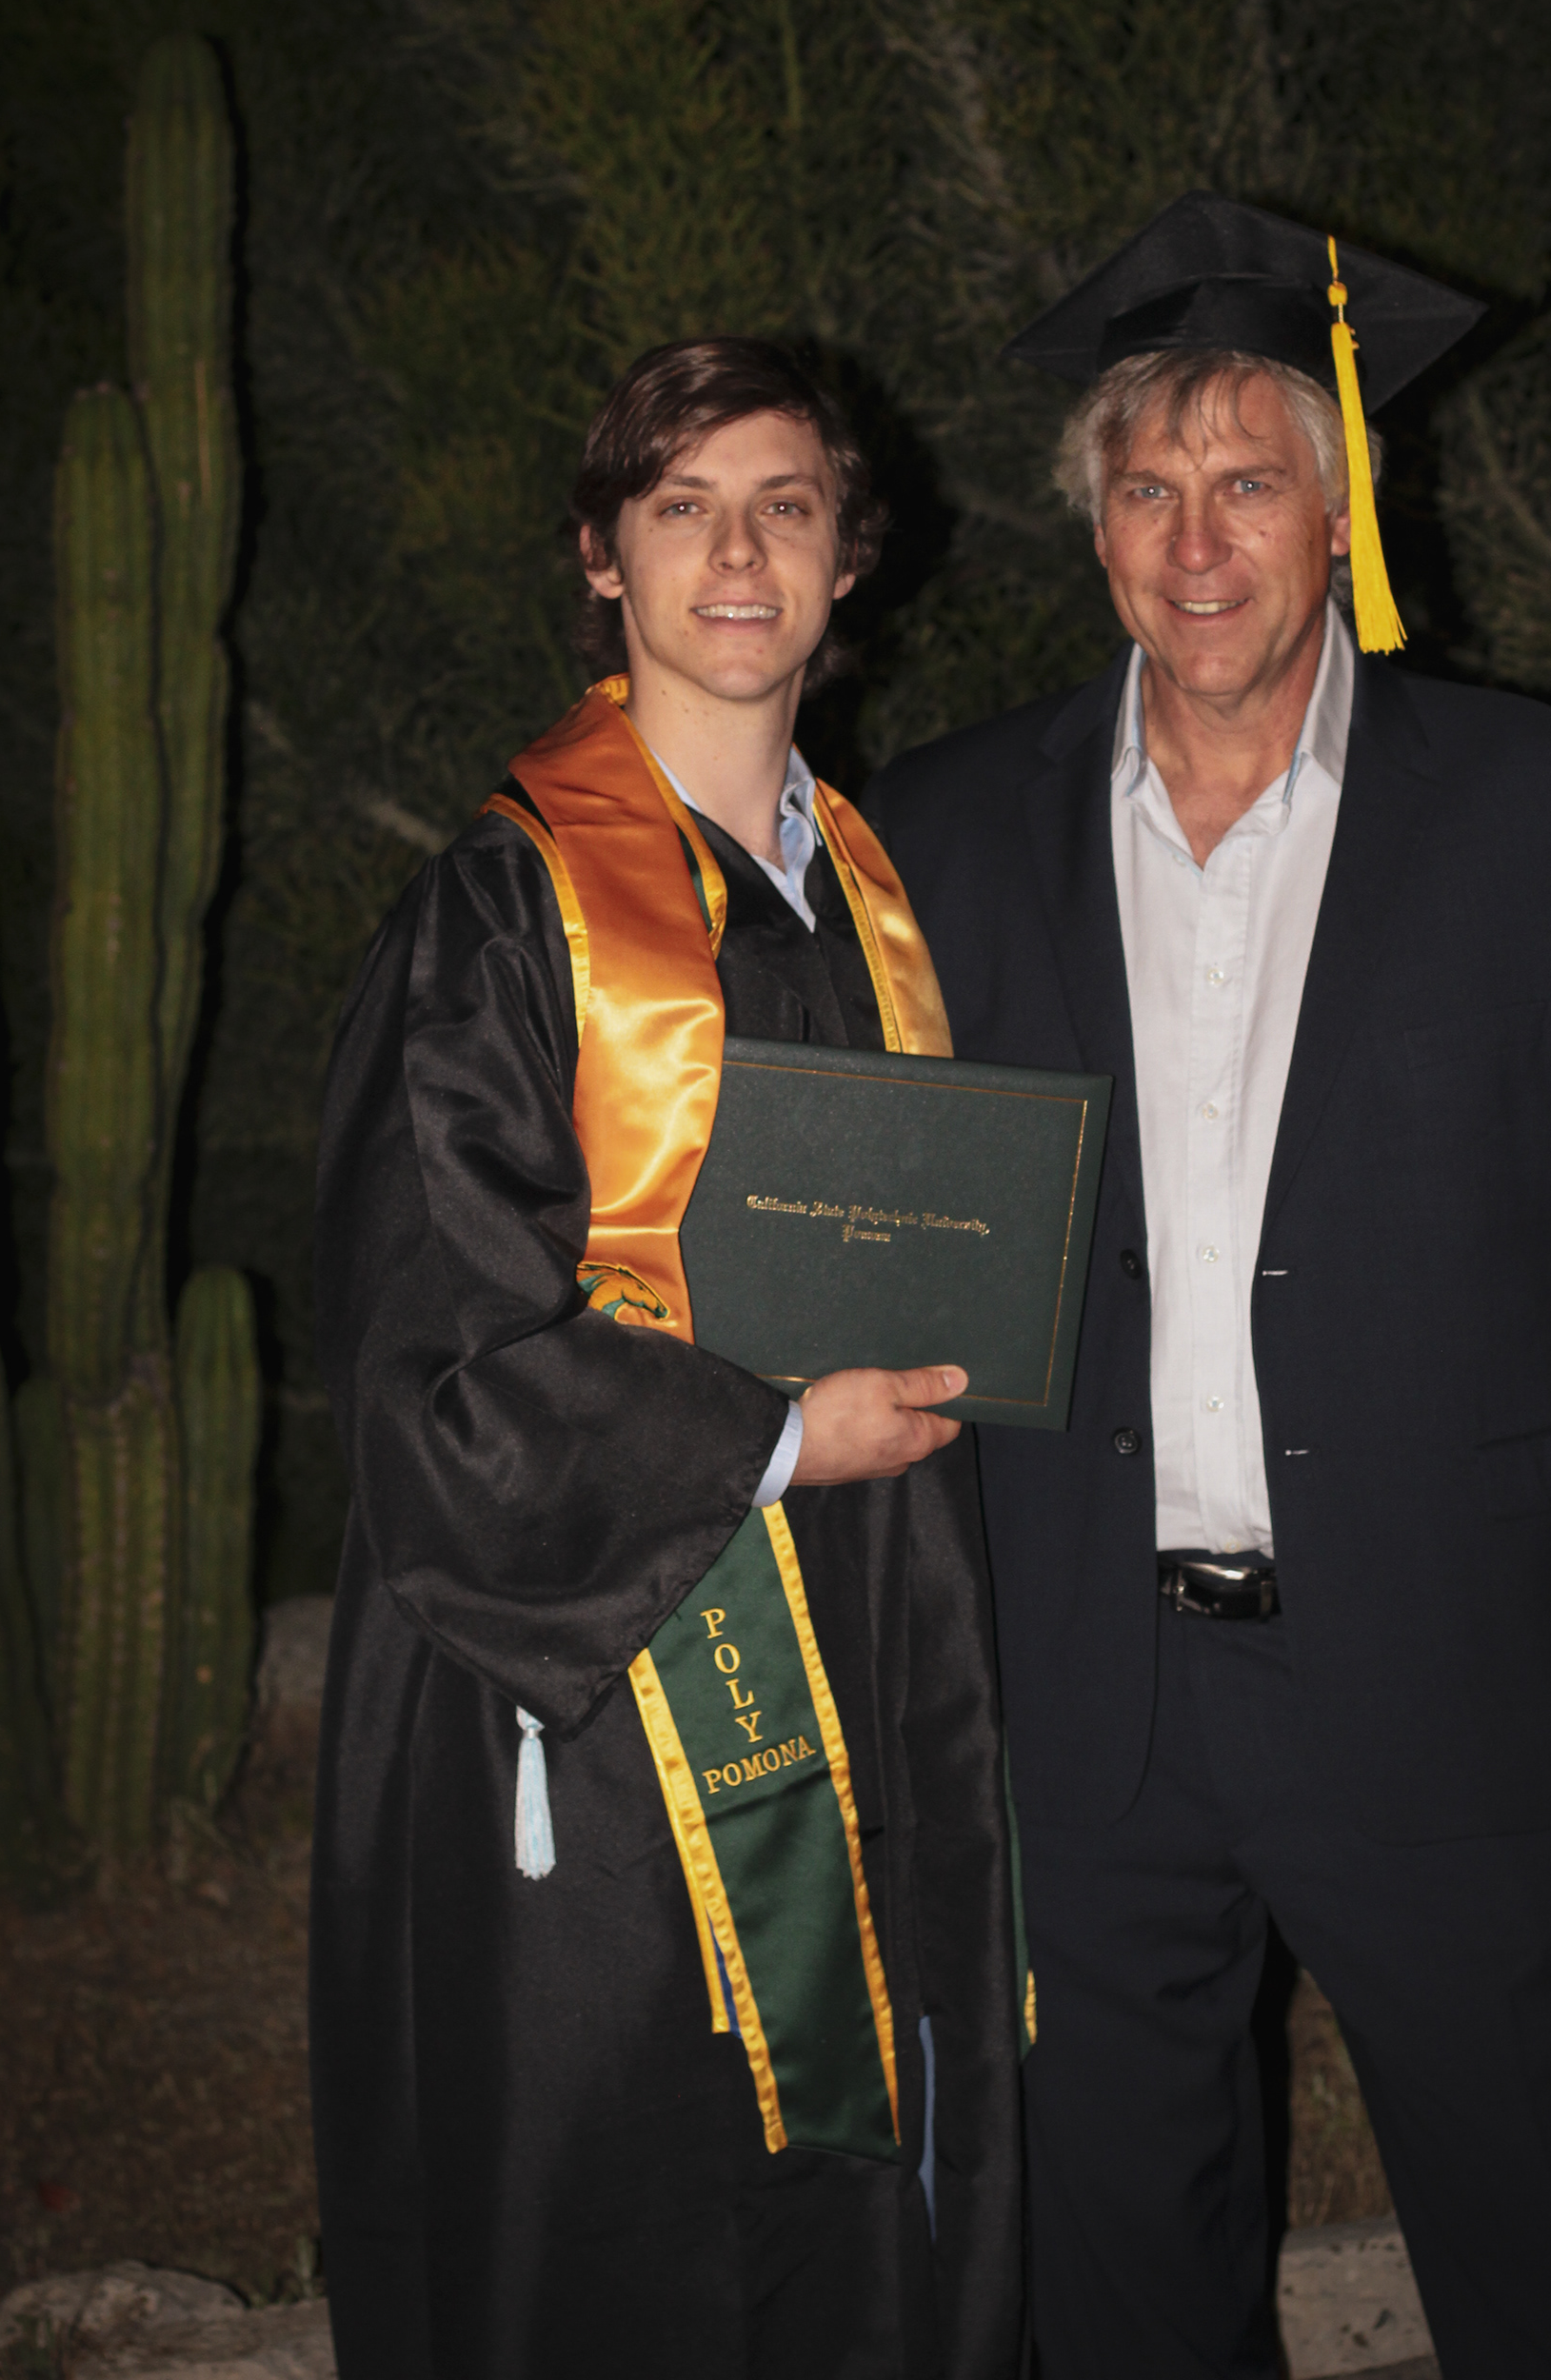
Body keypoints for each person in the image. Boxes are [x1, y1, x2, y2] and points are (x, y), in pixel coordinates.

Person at [863, 196, 1551, 2380]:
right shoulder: (940, 837)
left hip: (1463, 1684)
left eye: (1248, 483)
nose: (1196, 543)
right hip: (1084, 1706)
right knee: (1119, 2312)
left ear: (1343, 511)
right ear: (1094, 528)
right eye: (1146, 489)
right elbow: (883, 1241)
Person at [309, 339, 1025, 2380]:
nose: (735, 554)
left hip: (878, 1632)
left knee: (859, 2212)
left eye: (784, 507)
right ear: (602, 559)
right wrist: (777, 1441)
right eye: (680, 507)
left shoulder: (873, 893)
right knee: (634, 2212)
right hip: (593, 1696)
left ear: (848, 560)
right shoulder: (501, 908)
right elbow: (436, 1359)